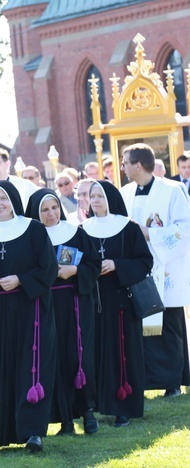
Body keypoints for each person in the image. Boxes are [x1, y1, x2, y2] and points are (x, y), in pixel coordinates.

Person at [0, 181, 57, 453]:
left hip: (31, 310)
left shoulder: (33, 230)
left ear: (13, 200)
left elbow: (48, 268)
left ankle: (32, 433)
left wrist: (21, 279)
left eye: (3, 198)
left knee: (30, 367)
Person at [25, 189, 101, 435]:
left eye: (55, 207)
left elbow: (93, 264)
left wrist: (75, 272)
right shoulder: (31, 237)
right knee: (53, 360)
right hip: (44, 305)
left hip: (75, 301)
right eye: (45, 210)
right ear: (37, 213)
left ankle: (87, 413)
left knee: (78, 356)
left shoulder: (76, 233)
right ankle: (65, 420)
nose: (51, 214)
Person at [118, 144, 190, 397]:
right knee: (139, 327)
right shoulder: (124, 192)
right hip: (137, 269)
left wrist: (150, 234)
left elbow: (185, 228)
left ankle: (172, 382)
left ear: (138, 165)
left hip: (165, 268)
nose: (122, 167)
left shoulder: (172, 190)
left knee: (168, 326)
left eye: (125, 162)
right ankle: (147, 380)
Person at [82, 180, 152, 427]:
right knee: (94, 352)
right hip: (92, 301)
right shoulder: (83, 228)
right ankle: (96, 404)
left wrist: (117, 265)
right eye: (92, 197)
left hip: (121, 301)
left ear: (111, 198)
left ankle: (124, 407)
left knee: (122, 354)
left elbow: (144, 262)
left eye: (100, 196)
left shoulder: (128, 228)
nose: (96, 201)